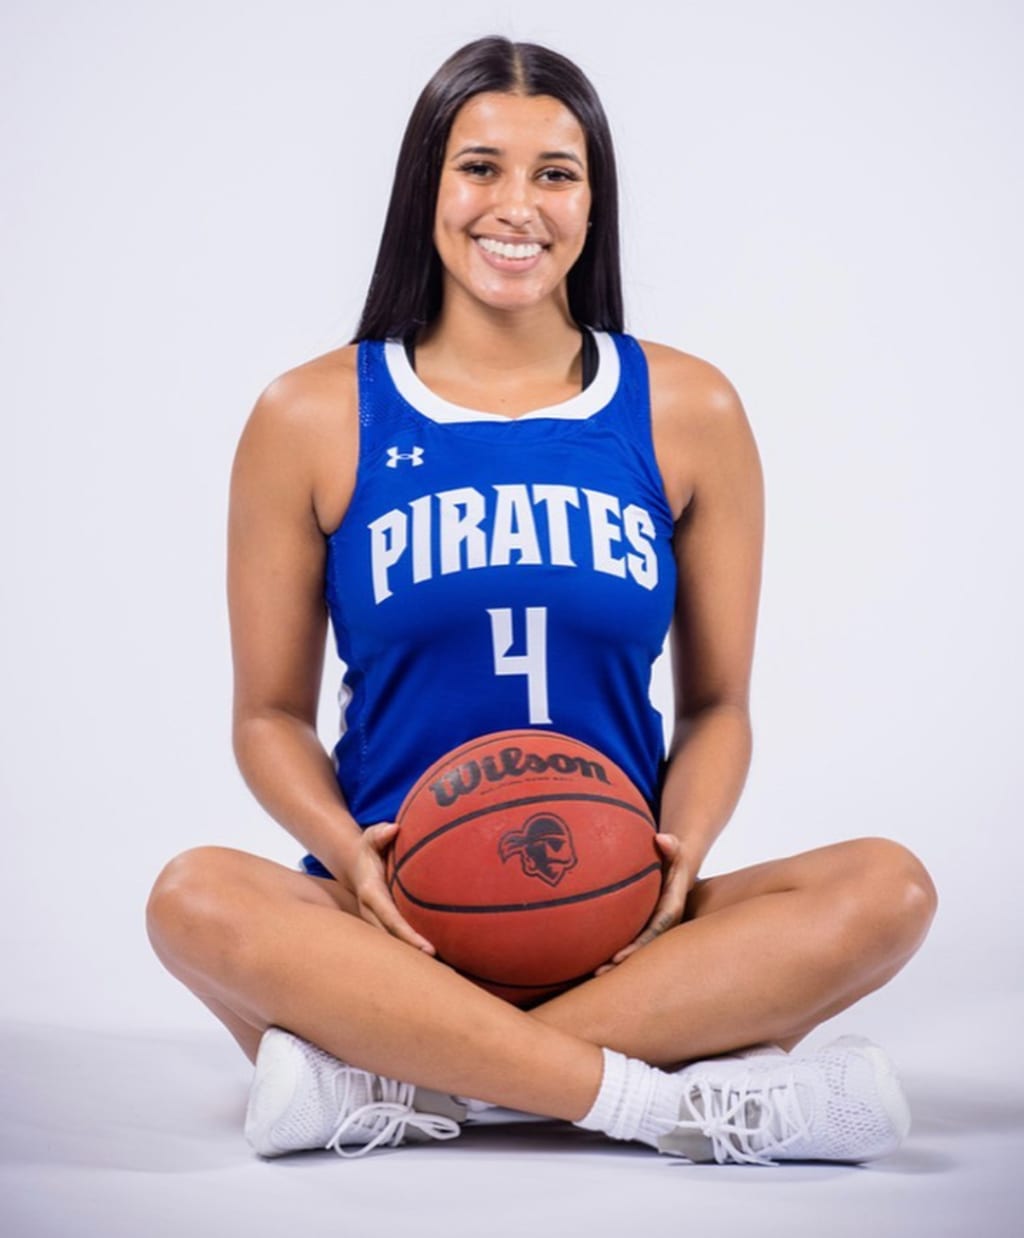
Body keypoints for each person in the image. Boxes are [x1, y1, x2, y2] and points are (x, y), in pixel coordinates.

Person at [146, 35, 937, 1166]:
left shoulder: (688, 408)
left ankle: (406, 1078)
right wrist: (354, 860)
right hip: (388, 927)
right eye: (479, 167)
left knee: (886, 888)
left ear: (592, 200)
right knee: (193, 897)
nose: (516, 205)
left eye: (555, 173)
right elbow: (267, 715)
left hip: (616, 921)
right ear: (426, 187)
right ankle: (675, 1107)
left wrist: (680, 858)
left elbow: (717, 706)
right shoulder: (312, 414)